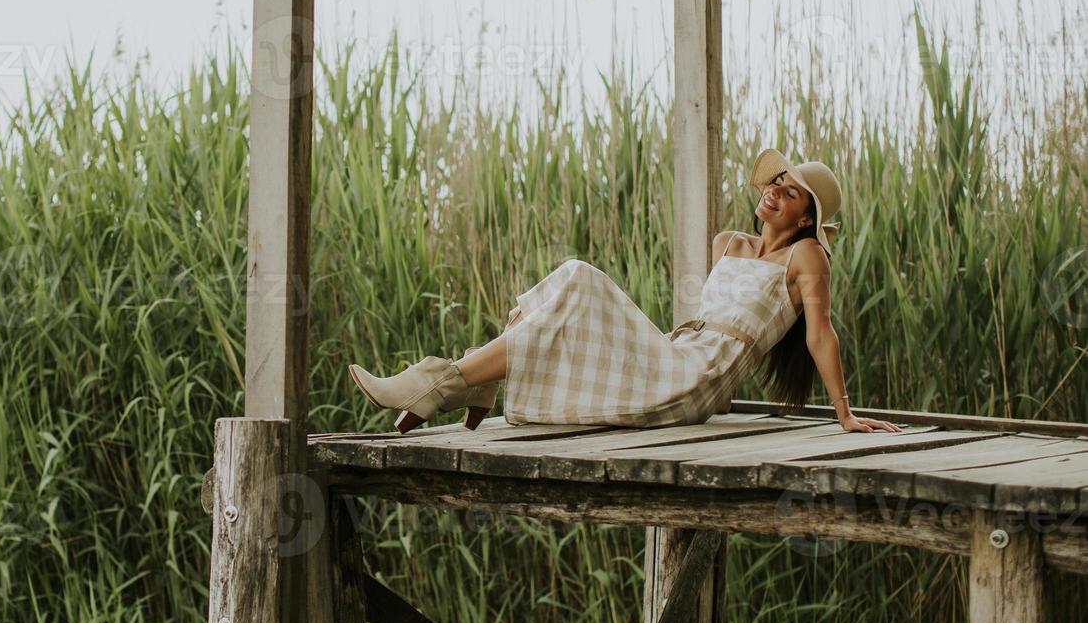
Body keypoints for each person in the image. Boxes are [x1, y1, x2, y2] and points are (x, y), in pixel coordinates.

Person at [348, 147, 899, 435]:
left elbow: (820, 334)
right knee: (572, 278)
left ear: (807, 218)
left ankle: (444, 381)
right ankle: (464, 380)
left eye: (793, 190)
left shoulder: (805, 258)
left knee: (582, 278)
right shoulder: (727, 243)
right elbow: (710, 321)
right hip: (677, 355)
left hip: (693, 381)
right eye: (777, 181)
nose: (777, 189)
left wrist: (844, 413)